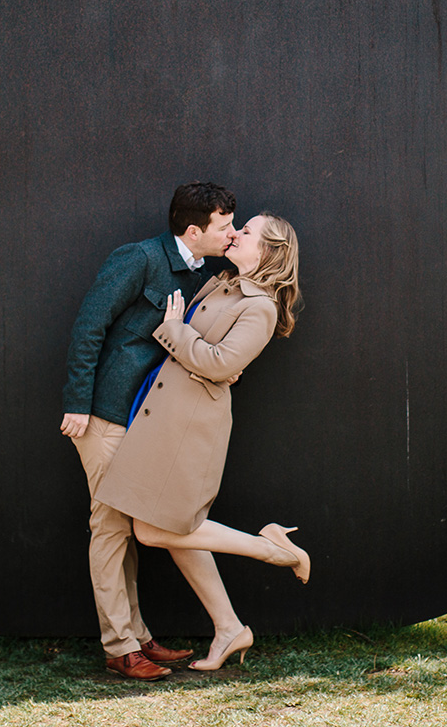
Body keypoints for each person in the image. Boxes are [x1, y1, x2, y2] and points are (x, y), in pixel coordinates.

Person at [95, 213, 305, 672]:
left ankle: (270, 549)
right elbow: (212, 360)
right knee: (172, 530)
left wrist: (176, 332)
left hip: (190, 425)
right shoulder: (221, 283)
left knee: (154, 529)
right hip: (165, 414)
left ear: (268, 251)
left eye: (246, 232)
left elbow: (215, 362)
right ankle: (229, 627)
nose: (236, 235)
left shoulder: (261, 307)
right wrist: (199, 351)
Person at [60, 182, 238, 681]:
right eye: (224, 227)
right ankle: (120, 647)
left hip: (149, 421)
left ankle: (137, 637)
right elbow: (89, 327)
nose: (231, 234)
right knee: (111, 528)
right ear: (193, 230)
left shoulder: (207, 272)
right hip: (105, 416)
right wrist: (78, 404)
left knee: (128, 530)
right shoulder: (138, 258)